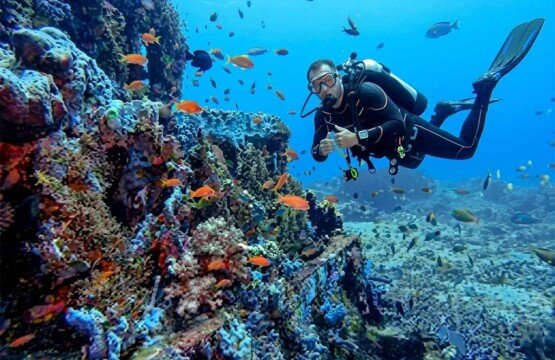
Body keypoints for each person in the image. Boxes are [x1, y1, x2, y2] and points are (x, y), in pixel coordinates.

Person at [306, 18, 544, 179]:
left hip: (411, 131)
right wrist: (323, 149)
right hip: (394, 151)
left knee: (467, 149)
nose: (323, 89)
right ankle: (442, 113)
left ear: (337, 78)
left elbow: (396, 124)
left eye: (326, 80)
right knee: (416, 161)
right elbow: (316, 154)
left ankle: (484, 90)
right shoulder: (322, 115)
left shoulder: (366, 91)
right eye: (316, 85)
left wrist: (357, 137)